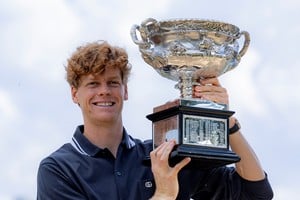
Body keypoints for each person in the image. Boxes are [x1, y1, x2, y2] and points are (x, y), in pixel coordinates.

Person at [37, 40, 273, 199]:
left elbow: (255, 192)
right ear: (74, 94)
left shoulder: (163, 156)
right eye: (92, 84)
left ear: (125, 91)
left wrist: (226, 120)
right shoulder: (59, 169)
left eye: (112, 83)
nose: (104, 91)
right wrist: (163, 194)